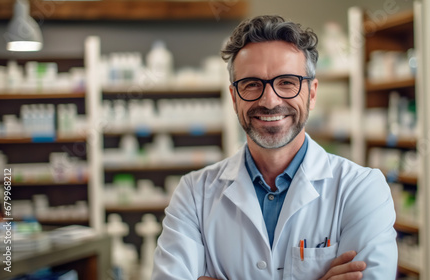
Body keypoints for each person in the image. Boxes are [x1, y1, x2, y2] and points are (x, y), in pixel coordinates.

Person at [152, 15, 398, 280]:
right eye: (252, 84)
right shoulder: (193, 194)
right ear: (234, 98)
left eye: (287, 82)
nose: (270, 101)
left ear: (312, 93)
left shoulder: (361, 189)